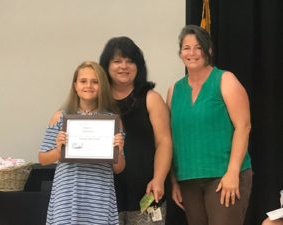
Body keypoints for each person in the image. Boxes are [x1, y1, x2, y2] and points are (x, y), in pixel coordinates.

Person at [166, 24, 253, 225]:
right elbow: (171, 139)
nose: (192, 52)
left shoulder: (225, 80)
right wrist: (173, 180)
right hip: (188, 179)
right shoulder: (174, 91)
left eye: (198, 47)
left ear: (209, 50)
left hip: (224, 178)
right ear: (180, 53)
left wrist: (232, 173)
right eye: (186, 48)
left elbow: (244, 126)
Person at [38, 61, 125, 225]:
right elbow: (43, 159)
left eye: (95, 81)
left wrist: (118, 151)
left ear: (102, 86)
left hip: (99, 193)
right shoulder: (60, 117)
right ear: (75, 86)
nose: (89, 86)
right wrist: (59, 150)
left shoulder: (113, 121)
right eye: (83, 81)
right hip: (67, 194)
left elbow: (119, 168)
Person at [99, 36, 172, 225]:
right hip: (105, 195)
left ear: (138, 66)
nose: (124, 66)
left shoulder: (151, 98)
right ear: (106, 66)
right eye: (117, 61)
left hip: (146, 191)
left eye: (130, 61)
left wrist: (159, 178)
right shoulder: (97, 101)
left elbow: (164, 142)